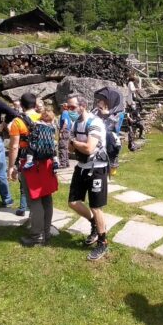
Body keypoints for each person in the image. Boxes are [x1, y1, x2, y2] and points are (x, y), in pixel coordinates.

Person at [8, 92, 57, 246]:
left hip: (30, 164)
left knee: (34, 199)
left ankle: (37, 236)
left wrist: (11, 166)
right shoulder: (44, 117)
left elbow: (15, 146)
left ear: (21, 105)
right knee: (47, 198)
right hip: (47, 162)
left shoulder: (17, 122)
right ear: (35, 104)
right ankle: (46, 232)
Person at [67, 94, 110, 261]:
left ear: (82, 106)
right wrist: (76, 144)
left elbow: (89, 148)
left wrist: (75, 143)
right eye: (67, 108)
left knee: (96, 207)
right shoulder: (75, 123)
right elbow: (69, 150)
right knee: (73, 202)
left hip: (96, 169)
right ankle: (94, 223)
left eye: (72, 107)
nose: (69, 111)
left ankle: (102, 242)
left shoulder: (95, 123)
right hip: (81, 167)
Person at [22, 107, 60, 172]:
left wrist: (25, 116)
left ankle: (29, 161)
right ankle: (56, 161)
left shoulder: (38, 123)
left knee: (30, 147)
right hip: (49, 149)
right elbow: (55, 137)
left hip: (38, 147)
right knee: (53, 147)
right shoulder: (53, 126)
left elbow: (30, 124)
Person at [57, 103, 76, 169]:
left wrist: (61, 131)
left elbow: (65, 122)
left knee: (62, 147)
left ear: (64, 107)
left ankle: (63, 164)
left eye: (62, 106)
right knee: (65, 148)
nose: (61, 107)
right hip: (68, 131)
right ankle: (67, 163)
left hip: (64, 131)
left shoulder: (64, 113)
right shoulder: (68, 113)